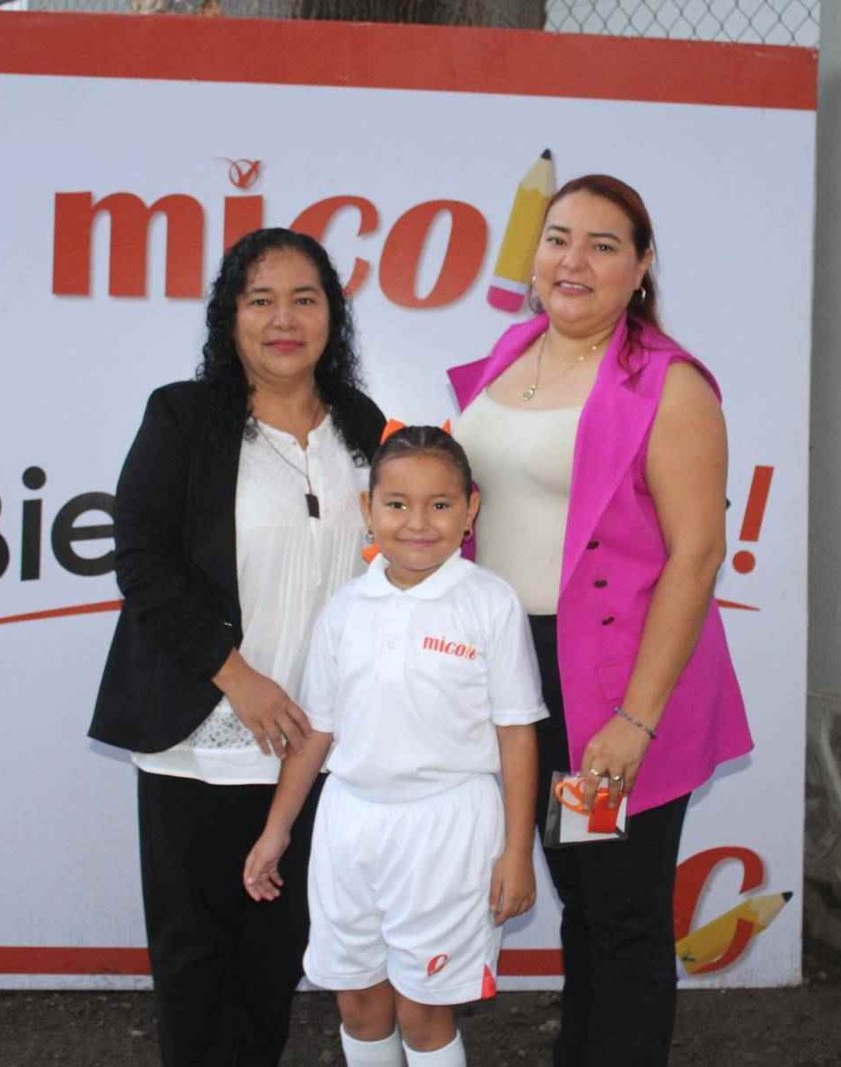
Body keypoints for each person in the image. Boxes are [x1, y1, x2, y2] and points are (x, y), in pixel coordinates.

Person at [448, 175, 753, 1065]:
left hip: (614, 681)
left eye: (603, 244)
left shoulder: (670, 384)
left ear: (642, 265)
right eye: (557, 238)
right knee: (582, 899)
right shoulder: (512, 350)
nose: (572, 260)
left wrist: (635, 719)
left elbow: (697, 554)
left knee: (621, 912)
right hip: (521, 675)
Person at [88, 228, 387, 1067]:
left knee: (273, 961)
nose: (283, 319)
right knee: (196, 963)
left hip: (315, 747)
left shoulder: (363, 426)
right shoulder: (184, 417)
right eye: (261, 300)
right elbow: (141, 559)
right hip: (203, 738)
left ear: (333, 315)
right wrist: (238, 677)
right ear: (230, 317)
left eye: (304, 299)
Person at [242, 426, 545, 1067]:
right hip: (349, 828)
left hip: (448, 830)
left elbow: (517, 732)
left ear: (470, 509)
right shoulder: (345, 608)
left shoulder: (490, 604)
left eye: (440, 504)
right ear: (368, 508)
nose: (418, 523)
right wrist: (276, 830)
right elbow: (316, 731)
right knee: (358, 1003)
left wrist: (518, 852)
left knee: (423, 1011)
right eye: (397, 504)